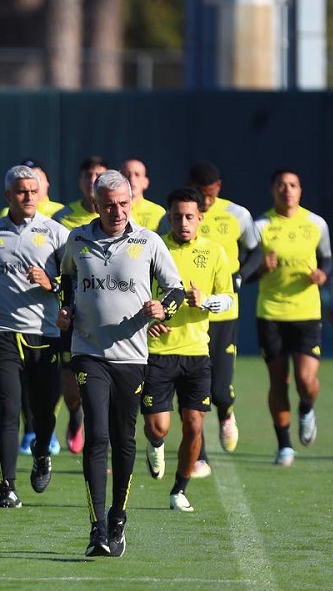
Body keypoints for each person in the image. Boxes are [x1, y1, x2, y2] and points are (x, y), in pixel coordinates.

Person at [57, 170, 184, 558]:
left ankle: (118, 516)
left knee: (124, 439)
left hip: (132, 356)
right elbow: (66, 278)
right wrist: (65, 310)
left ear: (132, 203)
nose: (117, 211)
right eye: (109, 204)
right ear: (95, 204)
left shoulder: (148, 241)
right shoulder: (77, 238)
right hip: (88, 352)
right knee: (97, 435)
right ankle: (96, 528)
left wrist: (164, 307)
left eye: (123, 204)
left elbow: (176, 289)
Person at [0, 165, 68, 507]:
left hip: (46, 334)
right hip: (3, 333)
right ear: (8, 195)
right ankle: (7, 486)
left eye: (33, 191)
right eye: (21, 191)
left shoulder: (57, 233)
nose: (28, 197)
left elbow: (77, 282)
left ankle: (42, 452)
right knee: (8, 409)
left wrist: (52, 283)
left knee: (44, 413)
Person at [141, 188, 233, 512]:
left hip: (197, 352)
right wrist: (144, 321)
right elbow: (130, 292)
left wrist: (204, 300)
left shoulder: (215, 252)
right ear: (168, 217)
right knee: (159, 427)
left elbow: (229, 299)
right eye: (177, 216)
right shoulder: (151, 246)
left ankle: (179, 490)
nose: (183, 222)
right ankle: (154, 442)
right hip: (157, 351)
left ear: (200, 219)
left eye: (189, 217)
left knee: (194, 424)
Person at [179, 161, 262, 476]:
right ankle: (201, 456)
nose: (208, 201)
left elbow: (254, 252)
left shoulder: (238, 215)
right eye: (202, 194)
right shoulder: (177, 216)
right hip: (188, 317)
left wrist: (240, 276)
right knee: (194, 390)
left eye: (212, 194)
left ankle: (227, 413)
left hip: (224, 312)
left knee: (221, 390)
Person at [251, 169, 331, 467]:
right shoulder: (260, 225)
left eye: (293, 185)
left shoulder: (315, 224)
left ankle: (307, 408)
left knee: (306, 381)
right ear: (273, 190)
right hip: (271, 312)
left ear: (301, 190)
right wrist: (261, 267)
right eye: (281, 185)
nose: (287, 190)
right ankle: (284, 445)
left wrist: (322, 275)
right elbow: (247, 270)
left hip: (306, 312)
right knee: (278, 380)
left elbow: (327, 260)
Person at [48, 155, 109, 455]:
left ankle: (101, 446)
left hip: (108, 316)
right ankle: (75, 416)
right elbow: (61, 268)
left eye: (100, 174)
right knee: (72, 390)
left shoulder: (122, 219)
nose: (93, 180)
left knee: (106, 385)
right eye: (88, 175)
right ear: (81, 181)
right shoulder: (63, 218)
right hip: (73, 313)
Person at [123, 157, 166, 232]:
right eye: (127, 175)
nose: (132, 179)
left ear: (146, 182)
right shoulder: (109, 211)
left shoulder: (158, 212)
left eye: (137, 175)